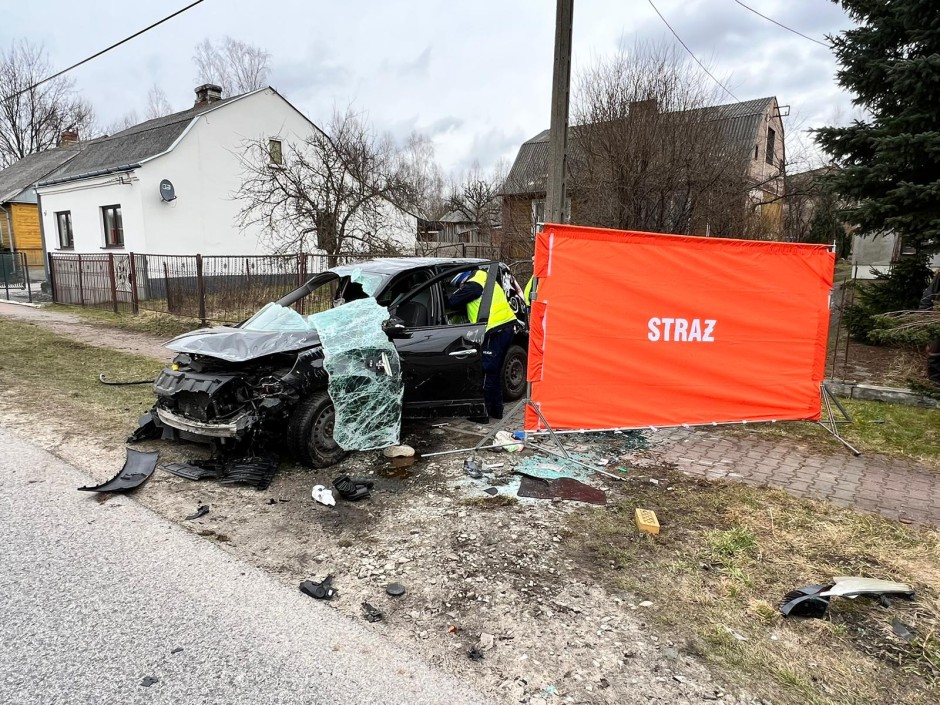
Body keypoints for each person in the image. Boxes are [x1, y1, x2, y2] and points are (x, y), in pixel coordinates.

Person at [448, 268, 518, 420]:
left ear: (464, 278)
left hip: (494, 331)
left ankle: (482, 413)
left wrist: (455, 293)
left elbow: (452, 302)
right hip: (505, 328)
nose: (461, 287)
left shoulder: (473, 285)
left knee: (487, 372)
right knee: (494, 372)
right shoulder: (485, 276)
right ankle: (496, 411)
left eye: (460, 285)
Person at [920, 269, 940, 384]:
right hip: (938, 318)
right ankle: (935, 384)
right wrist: (924, 316)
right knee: (935, 352)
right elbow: (929, 296)